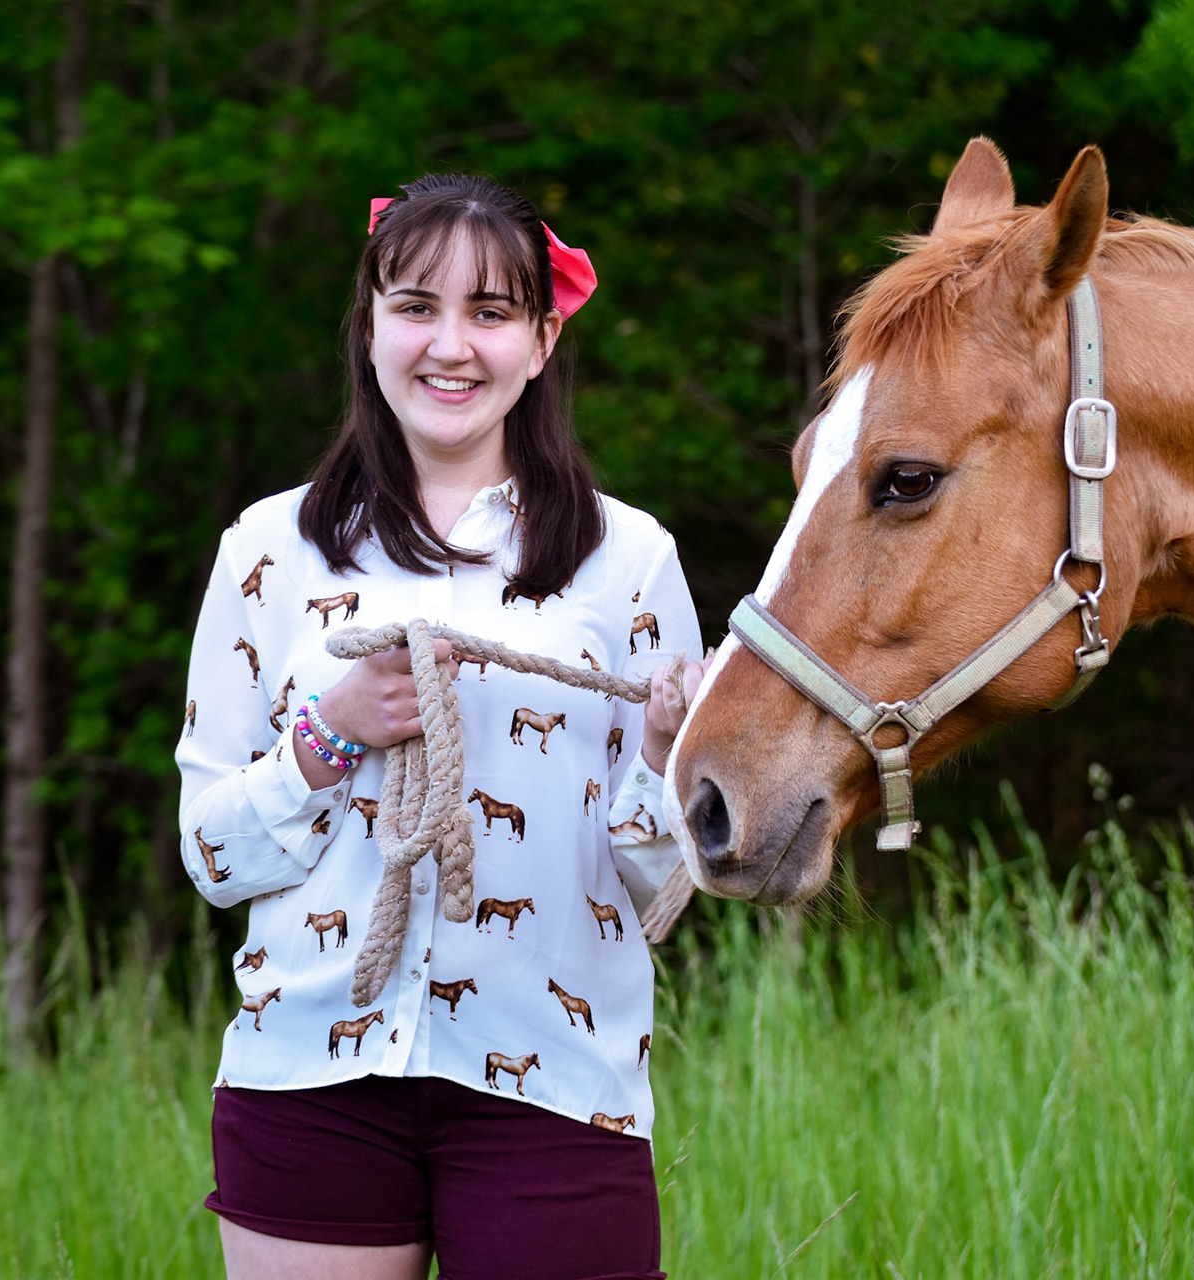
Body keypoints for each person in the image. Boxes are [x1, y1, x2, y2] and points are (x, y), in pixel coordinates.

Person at [176, 173, 704, 1280]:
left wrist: (662, 756)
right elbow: (212, 855)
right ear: (370, 327)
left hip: (558, 1084)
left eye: (491, 311)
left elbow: (656, 887)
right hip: (308, 1078)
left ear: (542, 341)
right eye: (416, 306)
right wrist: (331, 733)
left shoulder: (630, 561)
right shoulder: (267, 550)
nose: (450, 345)